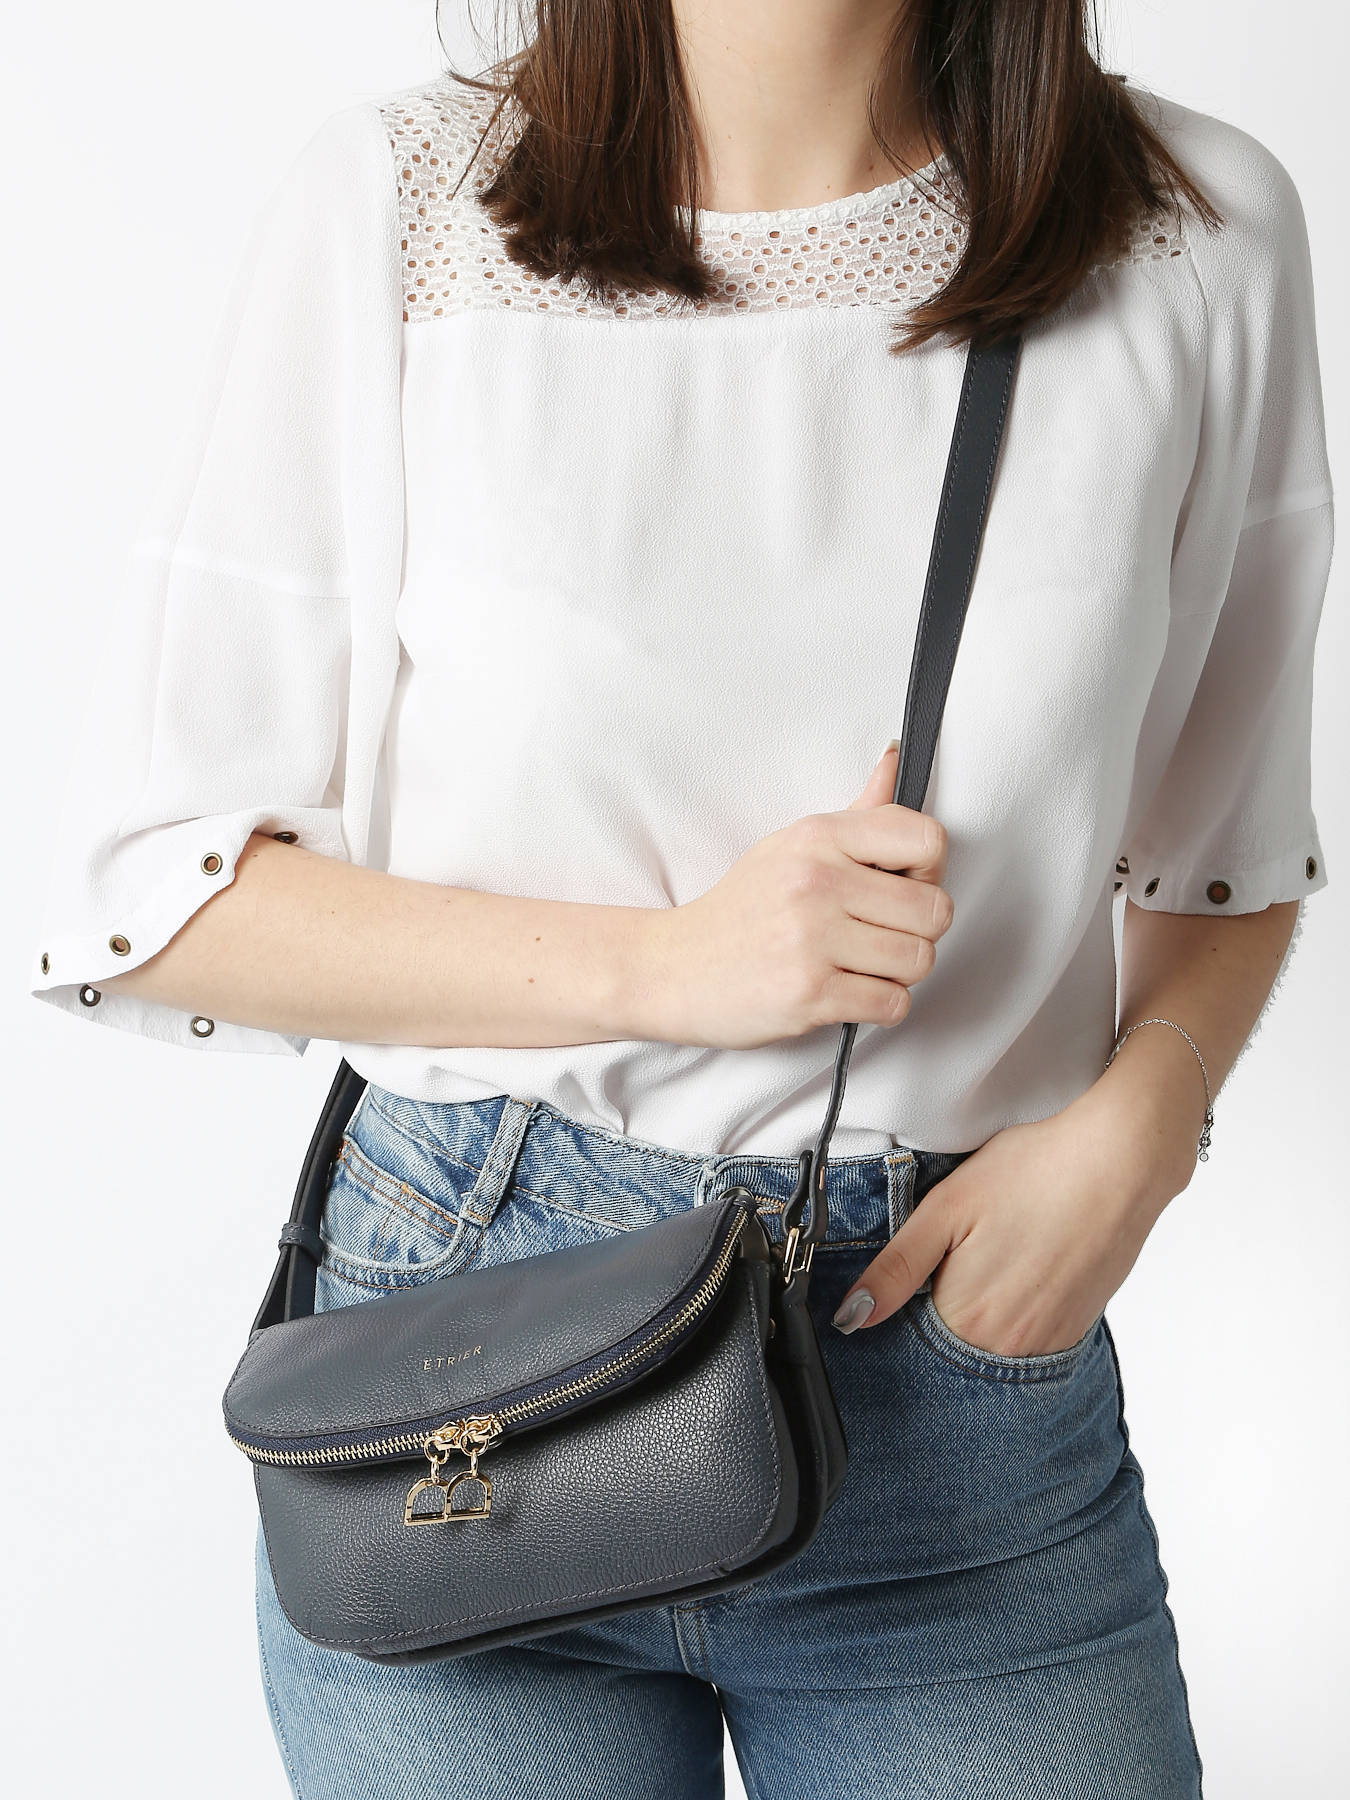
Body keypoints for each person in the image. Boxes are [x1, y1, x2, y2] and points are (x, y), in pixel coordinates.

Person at [29, 3, 1333, 1796]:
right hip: (470, 1361)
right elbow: (149, 896)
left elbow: (1225, 844)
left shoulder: (1192, 224)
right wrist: (666, 965)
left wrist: (1146, 1118)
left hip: (948, 1363)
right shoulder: (408, 202)